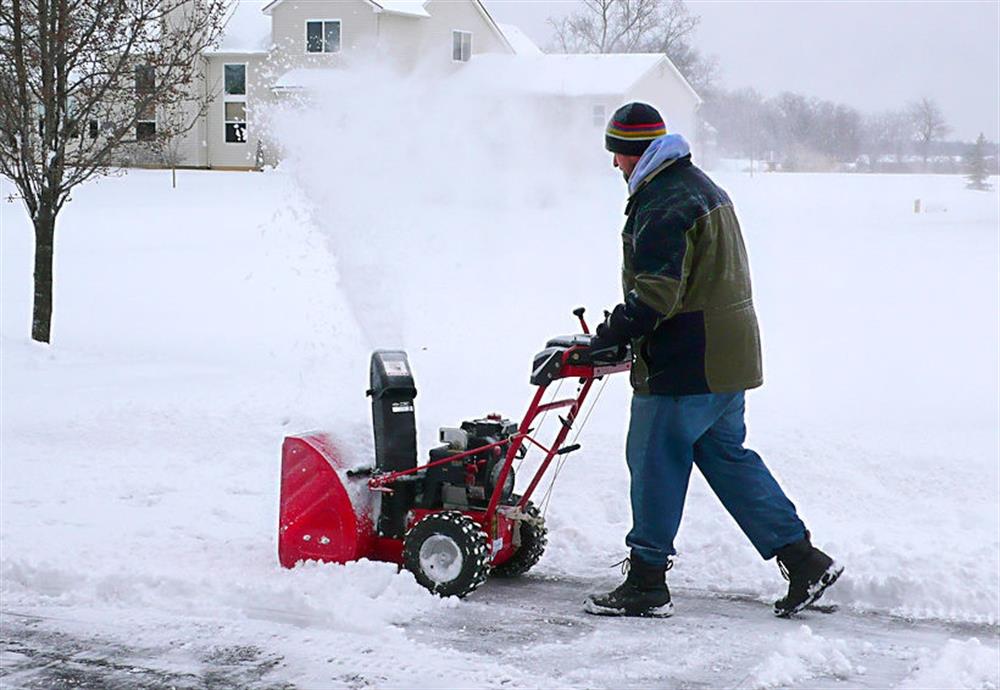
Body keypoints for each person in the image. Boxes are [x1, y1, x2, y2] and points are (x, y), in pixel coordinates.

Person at [583, 102, 842, 619]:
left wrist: (612, 333)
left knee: (655, 460)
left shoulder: (663, 203)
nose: (614, 165)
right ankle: (803, 558)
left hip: (686, 364)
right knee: (728, 460)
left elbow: (657, 295)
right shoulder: (700, 186)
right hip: (728, 361)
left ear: (634, 153)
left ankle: (647, 582)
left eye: (617, 154)